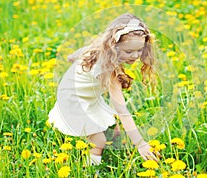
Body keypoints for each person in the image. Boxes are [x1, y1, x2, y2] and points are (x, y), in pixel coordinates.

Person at [48, 13, 158, 165]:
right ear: (114, 46)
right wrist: (141, 144)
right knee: (99, 140)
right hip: (73, 100)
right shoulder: (110, 70)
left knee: (116, 132)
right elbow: (123, 111)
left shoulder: (97, 48)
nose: (135, 55)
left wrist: (72, 59)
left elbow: (77, 54)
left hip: (85, 96)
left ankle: (120, 156)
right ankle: (91, 170)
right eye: (128, 51)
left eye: (139, 50)